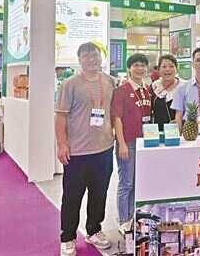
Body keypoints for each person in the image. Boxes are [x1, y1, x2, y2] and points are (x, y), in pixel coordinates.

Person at [55, 42, 115, 256]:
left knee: (99, 194)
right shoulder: (70, 84)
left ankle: (94, 230)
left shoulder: (110, 81)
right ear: (79, 59)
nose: (92, 59)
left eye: (95, 55)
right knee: (72, 196)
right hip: (77, 152)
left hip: (104, 149)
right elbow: (60, 116)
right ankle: (68, 237)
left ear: (101, 57)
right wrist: (62, 144)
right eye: (87, 55)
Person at [111, 53, 152, 236]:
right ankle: (123, 220)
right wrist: (121, 143)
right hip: (127, 142)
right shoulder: (122, 90)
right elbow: (117, 118)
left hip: (144, 142)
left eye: (143, 65)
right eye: (136, 65)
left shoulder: (147, 90)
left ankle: (132, 218)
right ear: (129, 68)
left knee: (137, 183)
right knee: (126, 183)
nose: (140, 69)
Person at [151, 54, 181, 130]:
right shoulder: (153, 87)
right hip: (157, 133)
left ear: (176, 69)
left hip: (180, 132)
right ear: (159, 70)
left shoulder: (183, 87)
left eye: (171, 66)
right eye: (164, 67)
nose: (167, 69)